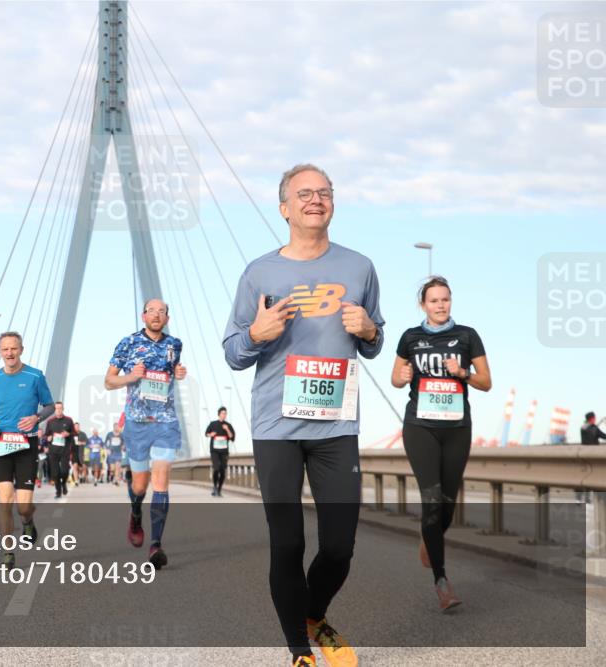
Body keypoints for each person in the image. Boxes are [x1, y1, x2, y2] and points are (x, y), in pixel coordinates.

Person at [223, 164, 385, 667]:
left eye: (325, 192)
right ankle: (299, 650)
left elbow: (375, 339)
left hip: (336, 423)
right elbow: (232, 351)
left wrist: (370, 331)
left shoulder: (360, 268)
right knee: (288, 541)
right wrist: (257, 333)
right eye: (305, 193)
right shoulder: (259, 273)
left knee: (339, 546)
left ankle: (314, 615)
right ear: (285, 208)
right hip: (277, 427)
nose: (316, 199)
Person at [391, 276, 491, 612]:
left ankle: (428, 537)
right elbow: (395, 377)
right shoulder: (410, 338)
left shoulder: (467, 335)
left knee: (447, 503)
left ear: (451, 302)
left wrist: (462, 373)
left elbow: (486, 382)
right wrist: (400, 378)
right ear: (423, 305)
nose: (440, 305)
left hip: (457, 428)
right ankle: (442, 581)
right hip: (420, 426)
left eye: (445, 300)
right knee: (432, 499)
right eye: (433, 300)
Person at [105, 298, 187, 570]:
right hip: (137, 423)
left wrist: (178, 372)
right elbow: (108, 381)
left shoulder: (174, 344)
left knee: (161, 480)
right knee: (140, 486)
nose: (156, 315)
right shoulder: (127, 343)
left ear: (167, 318)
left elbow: (170, 372)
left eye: (162, 311)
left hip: (165, 421)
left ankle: (156, 545)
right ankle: (136, 512)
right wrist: (130, 377)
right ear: (143, 316)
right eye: (151, 311)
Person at [0, 331, 55, 569]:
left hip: (26, 444)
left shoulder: (35, 376)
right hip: (2, 443)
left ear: (21, 349)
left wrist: (36, 417)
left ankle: (28, 520)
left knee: (23, 506)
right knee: (4, 499)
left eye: (14, 348)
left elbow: (50, 406)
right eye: (5, 349)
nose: (10, 353)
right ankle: (8, 552)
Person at [45, 402, 75, 499]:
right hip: (53, 451)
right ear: (55, 410)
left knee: (64, 471)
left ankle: (64, 484)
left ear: (63, 409)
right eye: (57, 408)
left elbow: (74, 433)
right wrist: (48, 438)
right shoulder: (50, 421)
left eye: (60, 408)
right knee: (55, 473)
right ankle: (58, 491)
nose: (58, 410)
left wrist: (68, 434)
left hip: (65, 450)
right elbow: (46, 435)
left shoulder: (69, 420)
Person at [205, 407, 236, 497]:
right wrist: (211, 434)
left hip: (224, 451)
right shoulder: (213, 424)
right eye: (223, 413)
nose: (224, 415)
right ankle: (215, 486)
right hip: (214, 451)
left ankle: (219, 489)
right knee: (216, 468)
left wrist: (227, 429)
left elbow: (232, 438)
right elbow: (206, 433)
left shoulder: (228, 425)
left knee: (222, 470)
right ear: (219, 414)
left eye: (225, 413)